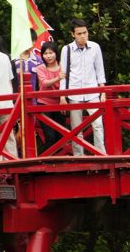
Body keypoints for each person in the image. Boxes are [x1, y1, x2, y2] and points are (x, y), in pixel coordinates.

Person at [59, 18, 107, 154]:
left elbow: (100, 70)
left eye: (85, 33)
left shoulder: (95, 47)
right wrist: (62, 95)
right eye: (79, 33)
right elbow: (63, 74)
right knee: (76, 128)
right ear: (72, 34)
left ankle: (101, 154)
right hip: (74, 92)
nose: (82, 36)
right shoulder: (66, 49)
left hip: (92, 91)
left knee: (98, 124)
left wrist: (103, 91)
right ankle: (78, 155)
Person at [34, 41, 65, 150]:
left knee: (61, 135)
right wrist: (58, 78)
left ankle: (60, 162)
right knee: (49, 136)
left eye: (51, 53)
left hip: (61, 103)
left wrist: (63, 98)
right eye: (45, 53)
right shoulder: (40, 68)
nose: (48, 56)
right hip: (44, 104)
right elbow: (45, 83)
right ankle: (46, 160)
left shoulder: (63, 67)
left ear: (56, 53)